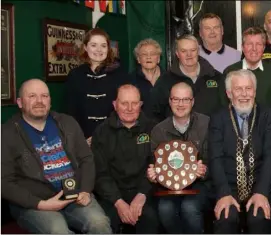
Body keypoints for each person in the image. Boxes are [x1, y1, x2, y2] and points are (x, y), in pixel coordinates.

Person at [2, 79, 112, 234]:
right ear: (20, 102)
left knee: (99, 223)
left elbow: (86, 159)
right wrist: (40, 204)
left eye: (44, 96)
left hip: (75, 195)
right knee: (58, 230)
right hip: (35, 203)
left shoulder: (67, 122)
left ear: (50, 101)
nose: (39, 101)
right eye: (32, 96)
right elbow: (4, 182)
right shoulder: (7, 134)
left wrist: (86, 190)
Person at [209, 69, 271, 233]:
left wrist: (261, 192)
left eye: (248, 88)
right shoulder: (218, 118)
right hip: (228, 187)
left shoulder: (268, 115)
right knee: (226, 219)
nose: (244, 94)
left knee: (259, 218)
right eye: (238, 89)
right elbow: (215, 159)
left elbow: (270, 156)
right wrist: (224, 193)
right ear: (228, 93)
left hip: (258, 185)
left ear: (255, 90)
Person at [92, 84, 159, 233]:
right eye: (124, 103)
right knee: (107, 222)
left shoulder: (154, 129)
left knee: (151, 218)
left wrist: (142, 194)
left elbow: (155, 166)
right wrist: (118, 202)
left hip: (144, 193)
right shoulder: (101, 133)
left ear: (141, 105)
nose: (129, 108)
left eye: (134, 103)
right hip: (112, 196)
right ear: (115, 105)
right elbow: (100, 174)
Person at [146, 82, 210, 234]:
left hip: (200, 185)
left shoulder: (207, 124)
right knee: (165, 209)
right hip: (168, 187)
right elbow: (154, 165)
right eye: (176, 99)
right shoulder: (158, 130)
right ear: (170, 101)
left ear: (192, 101)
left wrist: (205, 170)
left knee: (189, 208)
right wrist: (153, 175)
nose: (180, 104)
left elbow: (216, 160)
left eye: (185, 99)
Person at [65, 28, 129, 142]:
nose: (99, 50)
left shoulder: (121, 75)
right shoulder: (75, 75)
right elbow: (70, 111)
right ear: (85, 47)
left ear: (108, 49)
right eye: (94, 45)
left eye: (103, 46)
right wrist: (80, 139)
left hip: (114, 138)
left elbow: (126, 110)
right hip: (83, 139)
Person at [150, 34, 226, 123]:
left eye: (193, 50)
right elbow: (155, 114)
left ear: (198, 51)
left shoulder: (217, 77)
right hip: (176, 135)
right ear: (177, 54)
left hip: (212, 134)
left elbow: (226, 110)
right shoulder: (165, 81)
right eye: (183, 51)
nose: (189, 55)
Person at [223, 27, 271, 109]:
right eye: (249, 44)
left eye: (258, 44)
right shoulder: (230, 72)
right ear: (242, 47)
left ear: (263, 48)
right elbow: (224, 106)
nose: (254, 49)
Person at [130, 38, 164, 118]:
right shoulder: (130, 80)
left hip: (165, 127)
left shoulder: (169, 78)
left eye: (152, 54)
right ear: (138, 59)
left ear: (158, 58)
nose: (149, 57)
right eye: (144, 54)